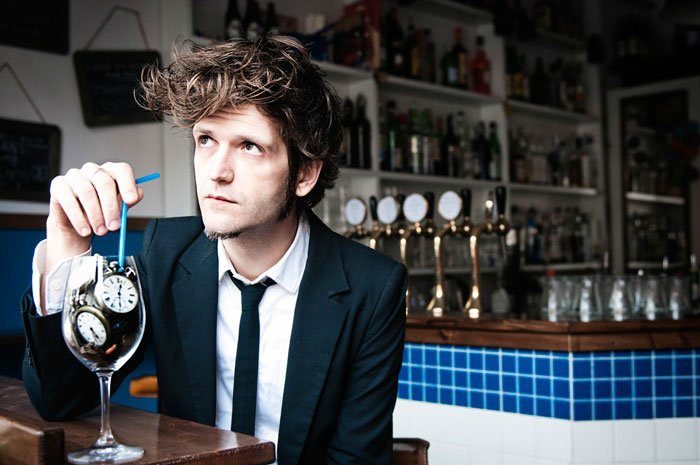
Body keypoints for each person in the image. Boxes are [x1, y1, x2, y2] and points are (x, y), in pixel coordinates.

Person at [22, 36, 407, 465]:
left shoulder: (372, 288)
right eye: (206, 139)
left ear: (304, 174)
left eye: (249, 146)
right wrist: (67, 243)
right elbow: (59, 398)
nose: (216, 172)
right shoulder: (166, 253)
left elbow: (355, 459)